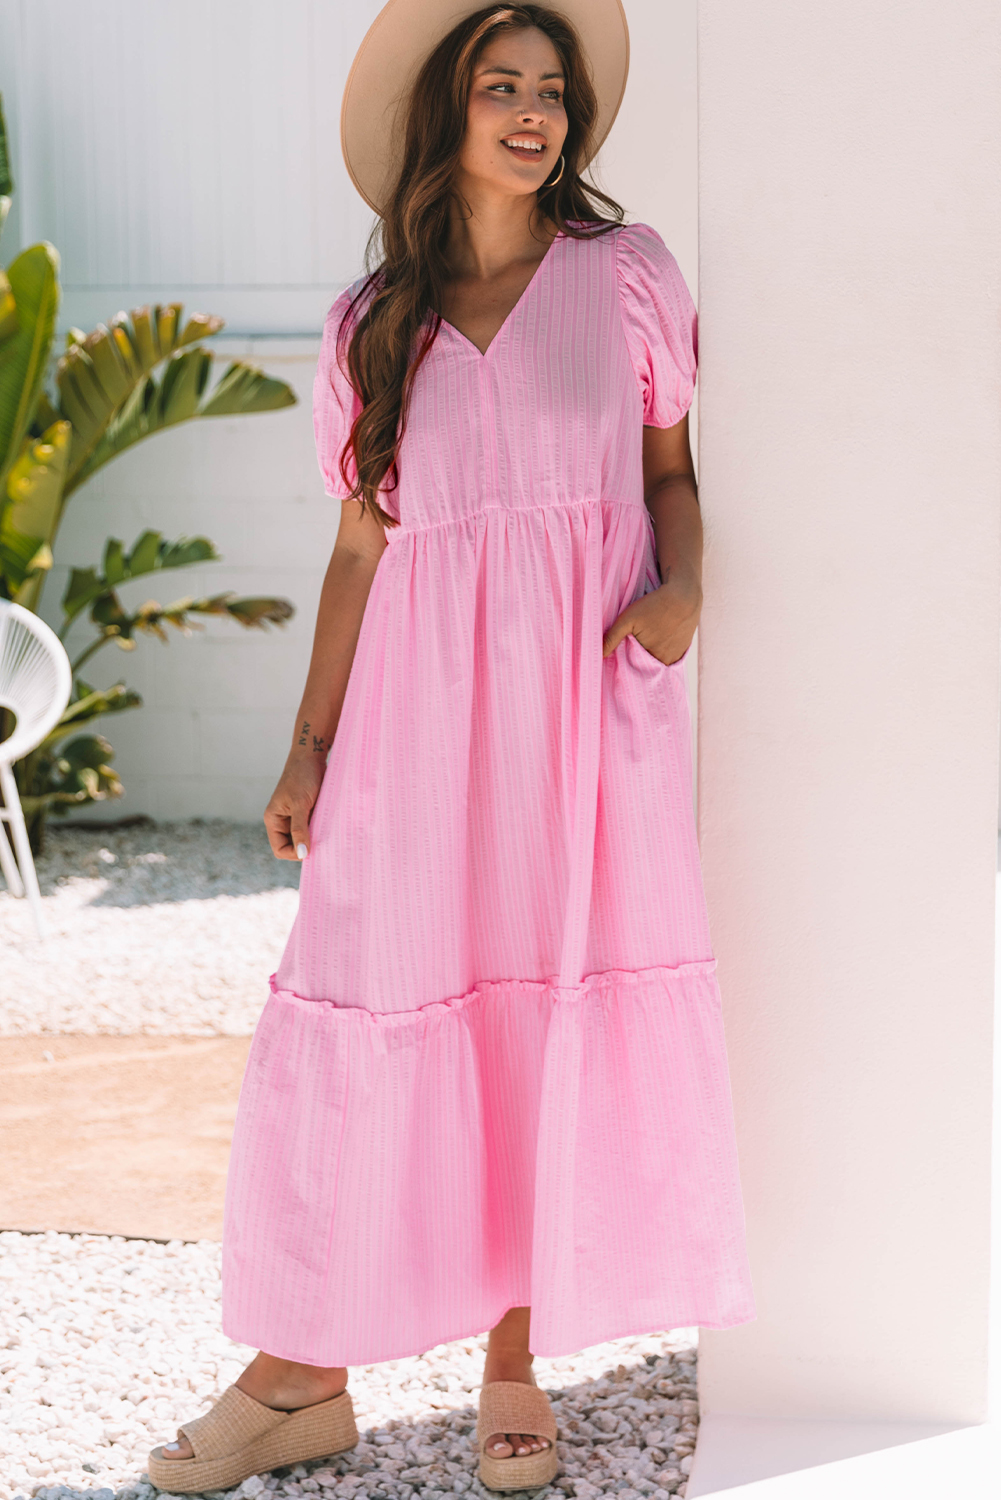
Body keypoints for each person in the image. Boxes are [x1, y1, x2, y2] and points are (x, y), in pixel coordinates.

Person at [150, 3, 755, 1493]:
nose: (534, 112)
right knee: (373, 1005)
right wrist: (308, 747)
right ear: (449, 111)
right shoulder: (374, 323)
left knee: (545, 1008)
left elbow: (671, 475)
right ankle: (300, 1376)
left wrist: (684, 591)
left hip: (580, 709)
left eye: (552, 90)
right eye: (502, 86)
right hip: (412, 722)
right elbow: (362, 549)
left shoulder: (625, 277)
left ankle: (513, 1361)